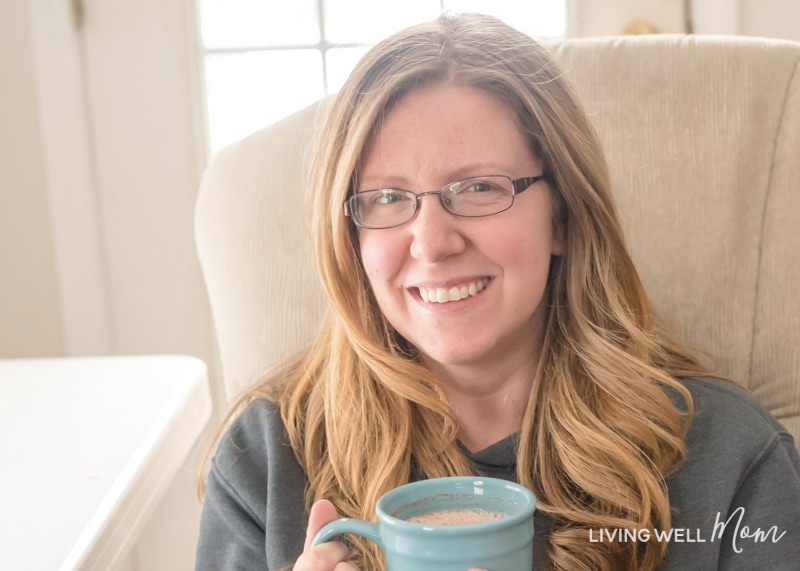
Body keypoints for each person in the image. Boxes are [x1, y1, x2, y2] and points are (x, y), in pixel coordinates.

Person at [195, 12, 800, 571]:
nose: (431, 243)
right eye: (386, 198)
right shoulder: (266, 464)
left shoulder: (729, 458)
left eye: (481, 188)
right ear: (347, 237)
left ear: (562, 216)